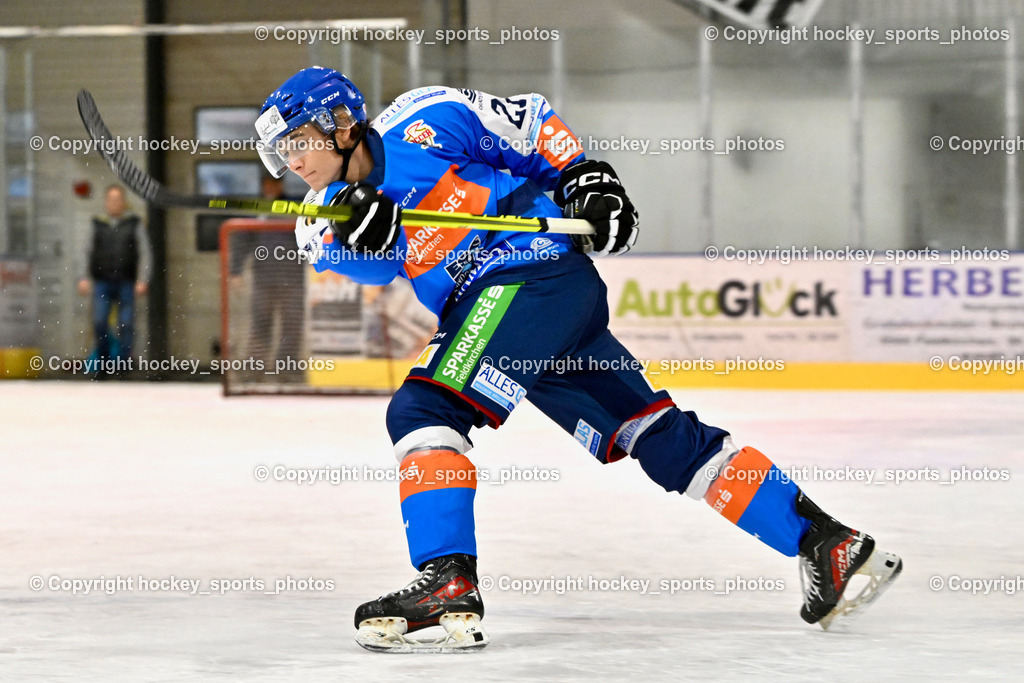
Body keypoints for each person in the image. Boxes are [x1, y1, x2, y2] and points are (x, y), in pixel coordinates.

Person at [256, 66, 902, 652]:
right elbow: (351, 258)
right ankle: (824, 540)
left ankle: (447, 576)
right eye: (284, 151)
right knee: (657, 436)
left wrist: (585, 179)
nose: (293, 162)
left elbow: (532, 125)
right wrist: (362, 227)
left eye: (298, 143)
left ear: (342, 125)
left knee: (425, 405)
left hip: (531, 279)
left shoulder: (429, 116)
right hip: (524, 308)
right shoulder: (319, 216)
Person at [228, 174, 305, 381]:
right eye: (267, 184)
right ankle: (255, 369)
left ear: (281, 185)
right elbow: (242, 241)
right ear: (263, 185)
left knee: (292, 325)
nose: (271, 187)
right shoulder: (256, 208)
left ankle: (287, 370)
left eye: (276, 183)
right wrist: (235, 271)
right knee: (260, 323)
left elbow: (309, 238)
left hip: (293, 279)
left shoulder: (295, 207)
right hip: (264, 279)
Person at [78, 184, 151, 377]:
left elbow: (145, 252)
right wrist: (83, 277)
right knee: (100, 321)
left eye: (118, 199)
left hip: (126, 281)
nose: (114, 203)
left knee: (126, 324)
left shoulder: (134, 223)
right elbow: (86, 251)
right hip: (102, 281)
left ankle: (123, 366)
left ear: (124, 202)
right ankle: (103, 365)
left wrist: (143, 279)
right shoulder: (97, 223)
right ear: (105, 202)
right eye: (111, 199)